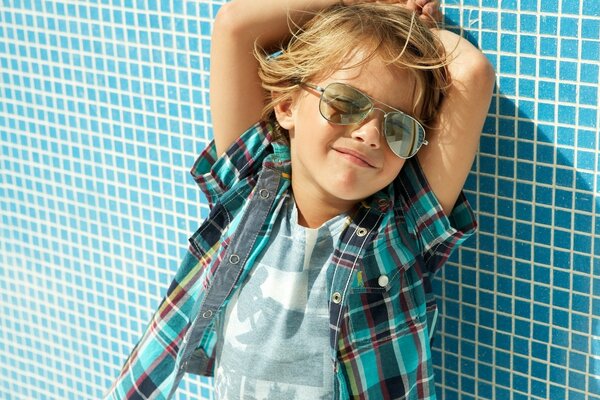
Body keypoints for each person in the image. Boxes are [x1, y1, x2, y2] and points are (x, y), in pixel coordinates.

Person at [105, 0, 495, 398]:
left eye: (399, 126)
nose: (370, 134)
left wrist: (417, 31)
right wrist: (364, 4)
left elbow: (472, 74)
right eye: (345, 102)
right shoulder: (249, 188)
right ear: (288, 105)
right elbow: (235, 25)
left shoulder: (403, 227)